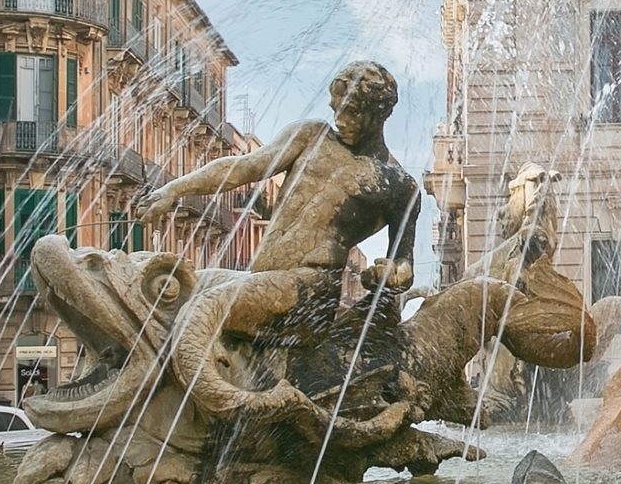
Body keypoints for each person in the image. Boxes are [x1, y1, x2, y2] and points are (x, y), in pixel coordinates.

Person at [122, 61, 420, 425]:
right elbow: (245, 166)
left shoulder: (399, 186)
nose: (340, 119)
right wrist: (176, 188)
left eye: (352, 112)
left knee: (207, 306)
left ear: (378, 113)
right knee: (171, 287)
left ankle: (221, 410)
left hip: (309, 290)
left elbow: (404, 265)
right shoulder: (310, 135)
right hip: (260, 280)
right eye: (336, 109)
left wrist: (390, 271)